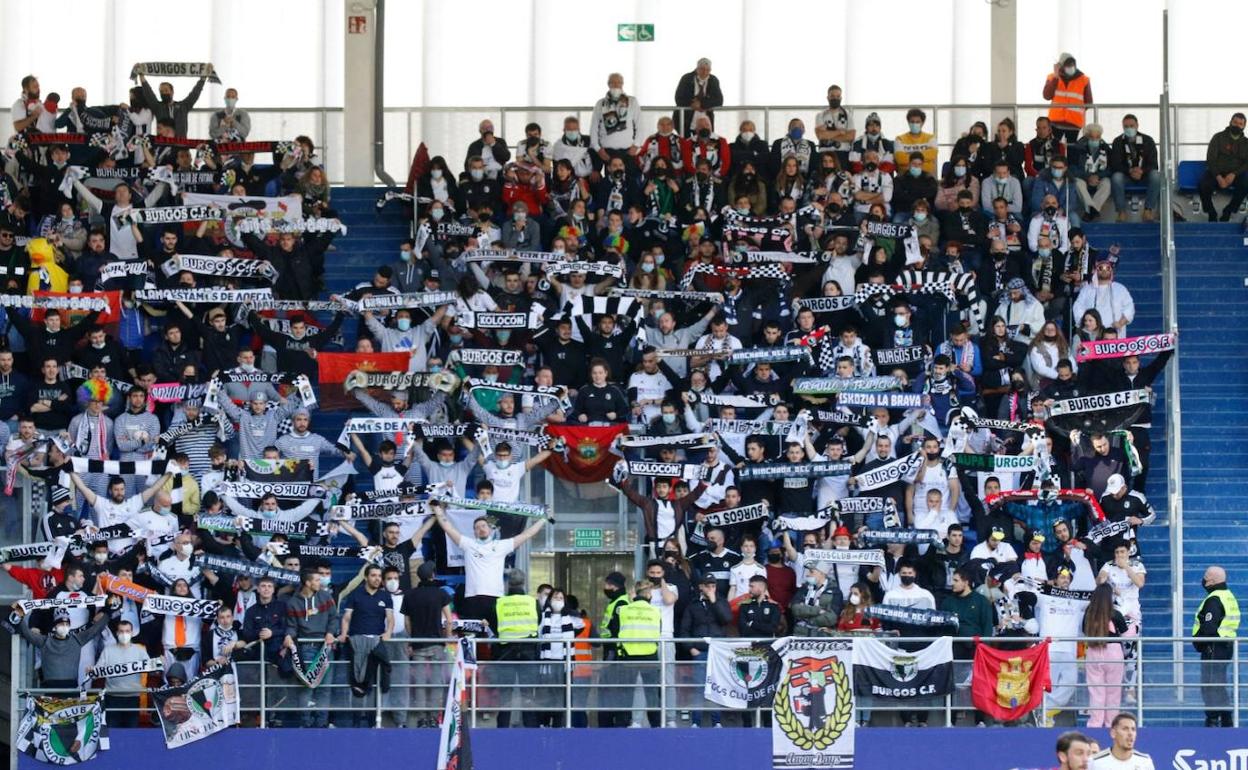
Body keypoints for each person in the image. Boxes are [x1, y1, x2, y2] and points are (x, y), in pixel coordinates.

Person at [431, 501, 548, 635]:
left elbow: (526, 535)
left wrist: (543, 519)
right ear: (474, 532)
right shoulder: (468, 544)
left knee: (497, 636)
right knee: (472, 638)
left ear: (490, 529)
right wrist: (437, 509)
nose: (481, 528)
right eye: (477, 527)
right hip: (473, 598)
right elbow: (448, 528)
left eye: (483, 526)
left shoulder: (501, 545)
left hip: (495, 599)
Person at [282, 568, 340, 728]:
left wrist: (330, 632)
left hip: (326, 648)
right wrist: (288, 635)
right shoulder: (293, 602)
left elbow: (334, 618)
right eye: (316, 580)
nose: (319, 582)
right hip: (306, 647)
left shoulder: (326, 596)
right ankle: (305, 724)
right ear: (307, 583)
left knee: (325, 688)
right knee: (307, 687)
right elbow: (292, 626)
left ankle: (321, 723)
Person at [680, 575, 730, 728]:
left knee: (717, 686)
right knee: (699, 686)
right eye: (707, 586)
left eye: (713, 586)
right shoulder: (693, 605)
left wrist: (714, 600)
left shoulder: (721, 602)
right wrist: (691, 649)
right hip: (699, 651)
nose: (710, 589)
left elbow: (726, 619)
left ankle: (717, 721)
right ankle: (696, 721)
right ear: (700, 586)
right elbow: (684, 630)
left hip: (718, 652)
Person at [1192, 564, 1239, 727]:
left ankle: (1213, 720)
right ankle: (1226, 718)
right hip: (1225, 646)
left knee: (1210, 684)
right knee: (1219, 683)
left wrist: (1201, 644)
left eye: (1206, 576)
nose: (1203, 579)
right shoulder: (1228, 595)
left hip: (1214, 647)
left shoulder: (1214, 599)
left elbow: (1209, 627)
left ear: (1211, 580)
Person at [615, 580, 662, 728]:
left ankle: (623, 724)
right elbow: (658, 631)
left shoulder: (623, 610)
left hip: (628, 655)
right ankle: (656, 725)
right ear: (648, 594)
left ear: (636, 593)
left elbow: (616, 630)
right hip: (649, 655)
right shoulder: (655, 611)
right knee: (652, 693)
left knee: (626, 693)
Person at [1082, 583, 1128, 729]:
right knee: (1113, 692)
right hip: (1113, 651)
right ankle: (1111, 725)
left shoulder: (1089, 612)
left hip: (1094, 650)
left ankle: (1095, 724)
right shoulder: (1115, 613)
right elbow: (1126, 634)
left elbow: (1084, 630)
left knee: (1096, 691)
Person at [1198, 112, 1248, 222]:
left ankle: (1228, 211)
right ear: (1230, 122)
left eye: (1240, 124)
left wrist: (1234, 174)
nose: (1237, 125)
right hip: (1216, 172)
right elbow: (1210, 159)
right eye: (1235, 122)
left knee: (1245, 185)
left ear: (1244, 126)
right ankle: (1211, 212)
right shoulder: (1218, 137)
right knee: (1203, 185)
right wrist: (1219, 177)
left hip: (1236, 174)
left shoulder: (1246, 143)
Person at [1108, 115, 1159, 222]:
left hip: (1144, 175)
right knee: (1116, 177)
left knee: (1156, 175)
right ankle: (1121, 212)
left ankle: (1148, 210)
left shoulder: (1148, 140)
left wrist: (1142, 171)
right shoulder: (1117, 141)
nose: (1129, 128)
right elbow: (1115, 164)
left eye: (1131, 125)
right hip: (1126, 175)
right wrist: (1129, 171)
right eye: (1126, 126)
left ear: (1137, 125)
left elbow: (1154, 163)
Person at [591, 73, 641, 166]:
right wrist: (598, 149)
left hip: (628, 151)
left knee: (629, 179)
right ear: (608, 84)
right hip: (607, 152)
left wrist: (636, 145)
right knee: (611, 179)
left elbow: (640, 125)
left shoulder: (632, 101)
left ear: (622, 84)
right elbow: (594, 128)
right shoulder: (600, 103)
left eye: (619, 82)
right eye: (613, 82)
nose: (616, 85)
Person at [1043, 53, 1092, 143]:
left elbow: (1089, 103)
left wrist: (1077, 111)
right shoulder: (1052, 77)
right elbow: (1047, 96)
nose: (1071, 67)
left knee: (1072, 152)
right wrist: (1056, 77)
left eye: (1072, 65)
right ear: (1061, 66)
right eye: (1068, 65)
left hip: (1074, 123)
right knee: (1054, 151)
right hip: (1055, 122)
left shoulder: (1084, 79)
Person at [672, 58, 722, 136]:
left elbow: (719, 101)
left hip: (705, 121)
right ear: (697, 69)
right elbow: (678, 98)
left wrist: (702, 104)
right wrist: (692, 103)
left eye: (707, 70)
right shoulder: (686, 78)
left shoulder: (713, 80)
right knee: (686, 143)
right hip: (686, 119)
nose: (705, 72)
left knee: (705, 144)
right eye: (702, 69)